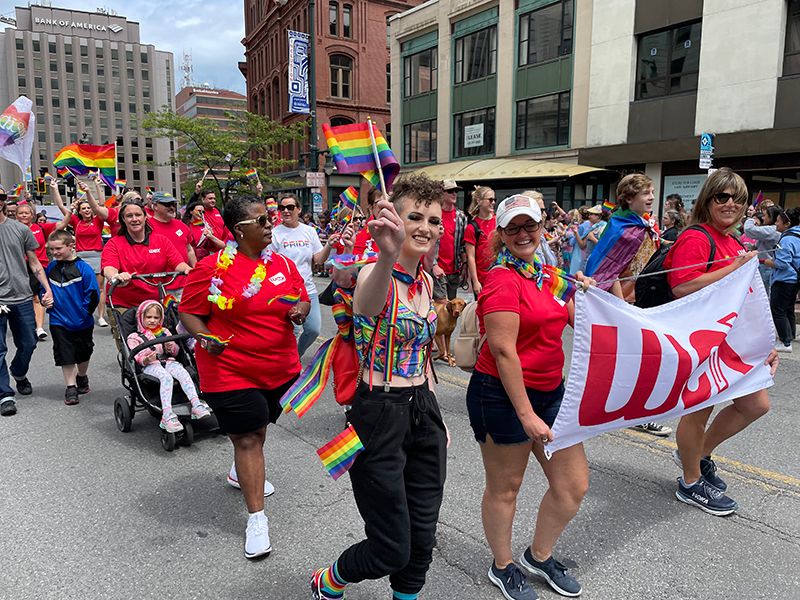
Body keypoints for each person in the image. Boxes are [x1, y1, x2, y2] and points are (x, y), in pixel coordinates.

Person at [311, 174, 447, 600]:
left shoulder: (425, 281)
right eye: (415, 217)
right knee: (391, 546)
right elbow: (366, 306)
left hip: (423, 409)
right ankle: (331, 578)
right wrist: (388, 256)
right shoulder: (376, 270)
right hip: (378, 414)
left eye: (434, 219)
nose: (425, 227)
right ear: (394, 219)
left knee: (423, 536)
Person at [465, 194, 590, 600]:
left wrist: (590, 293)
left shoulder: (546, 273)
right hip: (501, 397)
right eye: (513, 227)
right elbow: (503, 350)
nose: (523, 234)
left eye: (529, 225)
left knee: (572, 485)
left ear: (541, 228)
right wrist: (526, 415)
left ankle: (539, 555)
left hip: (550, 393)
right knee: (507, 487)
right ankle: (503, 565)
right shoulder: (502, 279)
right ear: (501, 233)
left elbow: (583, 319)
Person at [179, 195, 310, 559]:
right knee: (248, 438)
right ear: (239, 230)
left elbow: (301, 297)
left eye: (270, 218)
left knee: (260, 424)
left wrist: (299, 310)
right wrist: (206, 338)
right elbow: (188, 313)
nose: (271, 224)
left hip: (278, 368)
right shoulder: (211, 268)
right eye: (263, 220)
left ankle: (241, 473)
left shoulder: (281, 262)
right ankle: (256, 520)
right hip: (229, 368)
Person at [665, 167, 778, 515]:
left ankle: (697, 455)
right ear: (708, 199)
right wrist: (735, 267)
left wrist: (764, 343)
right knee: (699, 412)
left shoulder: (730, 240)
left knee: (756, 405)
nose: (731, 203)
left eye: (738, 198)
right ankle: (690, 481)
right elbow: (681, 286)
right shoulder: (697, 237)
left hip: (732, 343)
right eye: (722, 196)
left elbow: (746, 299)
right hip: (703, 342)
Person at [0, 188, 54, 416]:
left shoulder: (20, 230)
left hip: (21, 296)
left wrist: (47, 288)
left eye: (1, 197)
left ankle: (19, 372)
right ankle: (5, 395)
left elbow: (34, 263)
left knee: (29, 342)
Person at [270, 193, 339, 358]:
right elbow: (269, 264)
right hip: (285, 291)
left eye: (290, 207)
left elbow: (318, 259)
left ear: (298, 210)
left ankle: (295, 356)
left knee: (313, 329)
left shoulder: (309, 231)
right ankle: (288, 365)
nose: (286, 211)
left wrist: (328, 245)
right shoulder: (274, 233)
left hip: (307, 289)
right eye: (282, 208)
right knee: (291, 331)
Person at [126, 299, 211, 431]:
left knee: (184, 373)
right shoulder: (134, 336)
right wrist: (146, 359)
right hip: (150, 366)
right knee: (166, 378)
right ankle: (167, 414)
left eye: (156, 317)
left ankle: (196, 404)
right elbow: (136, 357)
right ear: (141, 317)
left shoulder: (165, 332)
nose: (153, 320)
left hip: (169, 361)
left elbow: (176, 352)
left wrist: (171, 347)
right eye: (149, 317)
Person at [100, 200, 190, 310]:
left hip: (154, 302)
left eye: (138, 215)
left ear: (145, 217)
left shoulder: (161, 240)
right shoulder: (114, 244)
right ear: (123, 220)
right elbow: (109, 268)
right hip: (124, 303)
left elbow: (178, 263)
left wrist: (188, 270)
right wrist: (116, 276)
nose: (134, 219)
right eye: (129, 216)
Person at [45, 229, 100, 405]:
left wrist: (84, 315)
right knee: (64, 352)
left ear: (70, 246)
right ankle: (71, 387)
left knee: (84, 351)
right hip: (58, 319)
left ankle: (82, 376)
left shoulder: (84, 269)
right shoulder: (51, 267)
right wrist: (46, 298)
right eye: (51, 250)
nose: (54, 253)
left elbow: (92, 295)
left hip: (82, 320)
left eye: (58, 248)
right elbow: (44, 287)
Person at [52, 180, 111, 326]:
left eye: (88, 208)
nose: (86, 210)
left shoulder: (98, 221)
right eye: (83, 208)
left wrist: (97, 186)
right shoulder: (75, 222)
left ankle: (101, 315)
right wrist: (54, 188)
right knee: (81, 286)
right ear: (80, 211)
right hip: (81, 257)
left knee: (99, 288)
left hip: (96, 255)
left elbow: (101, 204)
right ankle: (83, 312)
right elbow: (61, 206)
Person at [15, 202, 70, 339]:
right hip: (18, 267)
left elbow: (62, 225)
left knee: (36, 297)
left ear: (32, 215)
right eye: (20, 213)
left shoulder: (40, 228)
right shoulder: (12, 229)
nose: (23, 215)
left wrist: (71, 211)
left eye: (26, 213)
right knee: (21, 298)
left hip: (38, 266)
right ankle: (25, 326)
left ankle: (39, 328)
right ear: (16, 216)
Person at [146, 192, 197, 296]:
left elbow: (189, 249)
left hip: (183, 282)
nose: (171, 207)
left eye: (173, 204)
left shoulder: (181, 225)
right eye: (166, 204)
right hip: (158, 285)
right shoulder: (146, 227)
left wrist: (195, 269)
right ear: (155, 206)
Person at [764, 207, 800, 352]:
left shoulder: (786, 239)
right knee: (788, 308)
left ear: (787, 223)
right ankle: (790, 334)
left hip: (784, 279)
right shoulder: (797, 235)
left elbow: (782, 263)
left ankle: (785, 342)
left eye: (778, 221)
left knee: (778, 310)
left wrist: (765, 262)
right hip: (795, 279)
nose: (776, 225)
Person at [432, 180, 467, 300]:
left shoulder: (461, 217)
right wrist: (433, 265)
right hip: (437, 269)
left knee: (452, 309)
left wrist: (464, 266)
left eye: (456, 191)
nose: (454, 194)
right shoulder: (434, 215)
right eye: (450, 191)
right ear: (441, 194)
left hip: (455, 271)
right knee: (440, 306)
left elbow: (463, 244)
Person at [464, 185, 496, 297]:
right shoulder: (472, 227)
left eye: (494, 199)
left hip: (498, 274)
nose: (493, 202)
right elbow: (471, 257)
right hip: (482, 278)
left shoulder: (498, 221)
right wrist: (475, 281)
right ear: (479, 201)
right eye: (490, 199)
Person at [744, 204, 781, 293]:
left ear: (772, 217)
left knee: (764, 292)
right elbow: (760, 245)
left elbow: (748, 229)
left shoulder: (772, 229)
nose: (763, 218)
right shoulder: (771, 229)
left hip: (766, 267)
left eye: (765, 216)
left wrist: (752, 219)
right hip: (764, 265)